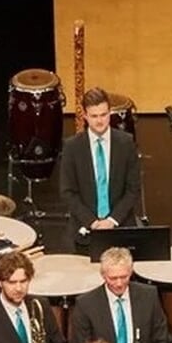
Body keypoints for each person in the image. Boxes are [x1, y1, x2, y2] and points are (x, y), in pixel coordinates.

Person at [67, 247, 171, 343]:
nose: (119, 283)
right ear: (103, 275)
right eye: (113, 278)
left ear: (131, 272)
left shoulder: (149, 296)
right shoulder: (85, 305)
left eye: (124, 277)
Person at [59, 87, 142, 236]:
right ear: (85, 116)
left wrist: (112, 220)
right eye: (94, 116)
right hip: (84, 227)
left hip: (120, 225)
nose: (99, 121)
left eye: (103, 115)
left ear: (110, 113)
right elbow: (67, 192)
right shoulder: (72, 147)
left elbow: (133, 189)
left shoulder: (126, 143)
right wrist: (91, 222)